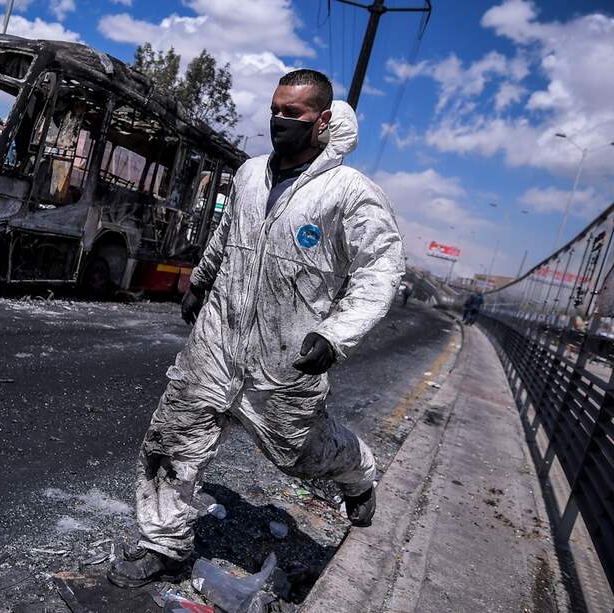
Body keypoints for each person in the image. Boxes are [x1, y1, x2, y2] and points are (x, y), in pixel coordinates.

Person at [107, 69, 405, 588]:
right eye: (275, 109)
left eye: (294, 113)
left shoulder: (348, 192)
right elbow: (226, 235)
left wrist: (337, 334)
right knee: (173, 436)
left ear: (323, 121)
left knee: (299, 456)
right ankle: (163, 544)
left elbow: (381, 268)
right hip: (218, 342)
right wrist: (200, 280)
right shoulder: (249, 174)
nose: (280, 121)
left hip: (284, 356)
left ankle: (358, 472)